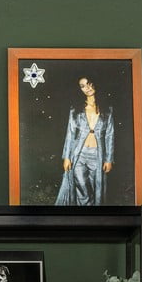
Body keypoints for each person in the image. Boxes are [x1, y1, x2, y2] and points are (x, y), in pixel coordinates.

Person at [55, 76, 114, 207]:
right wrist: (67, 157)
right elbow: (70, 134)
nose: (87, 88)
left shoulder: (107, 109)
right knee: (82, 189)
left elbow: (109, 134)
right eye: (82, 86)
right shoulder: (75, 109)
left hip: (97, 155)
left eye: (89, 83)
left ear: (95, 83)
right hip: (79, 155)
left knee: (96, 188)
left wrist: (109, 159)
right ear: (80, 90)